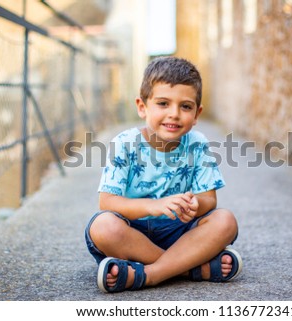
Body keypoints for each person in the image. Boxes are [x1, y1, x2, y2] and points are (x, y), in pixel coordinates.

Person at [85, 56, 242, 293]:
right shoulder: (126, 143)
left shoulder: (197, 144)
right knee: (103, 227)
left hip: (180, 233)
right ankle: (191, 268)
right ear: (142, 107)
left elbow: (209, 200)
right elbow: (107, 202)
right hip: (132, 233)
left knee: (225, 221)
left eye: (185, 106)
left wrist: (193, 205)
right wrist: (155, 206)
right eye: (163, 104)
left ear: (197, 113)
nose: (174, 114)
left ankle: (148, 274)